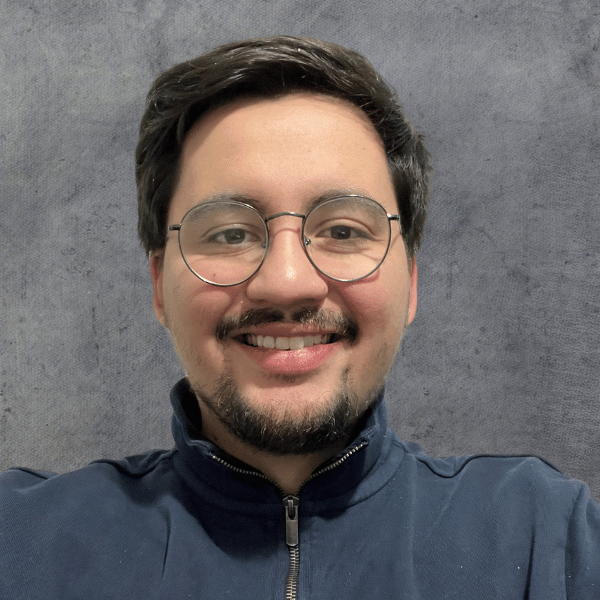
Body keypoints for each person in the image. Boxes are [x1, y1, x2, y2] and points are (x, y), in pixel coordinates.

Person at [1, 36, 598, 599]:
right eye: (230, 233)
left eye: (343, 230)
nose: (286, 282)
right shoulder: (21, 541)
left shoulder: (547, 539)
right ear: (159, 284)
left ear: (411, 282)